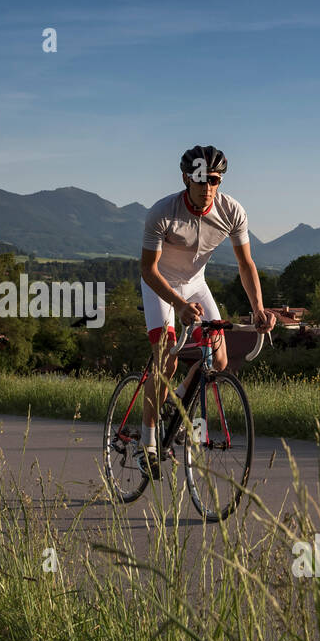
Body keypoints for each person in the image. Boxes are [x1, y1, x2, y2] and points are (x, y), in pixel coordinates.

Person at [137, 144, 274, 478]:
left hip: (196, 283)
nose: (207, 187)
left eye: (214, 179)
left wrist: (258, 308)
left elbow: (245, 263)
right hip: (162, 285)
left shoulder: (232, 211)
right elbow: (148, 269)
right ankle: (148, 442)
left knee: (221, 360)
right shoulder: (163, 212)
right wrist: (179, 305)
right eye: (200, 180)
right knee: (166, 360)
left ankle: (179, 401)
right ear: (186, 178)